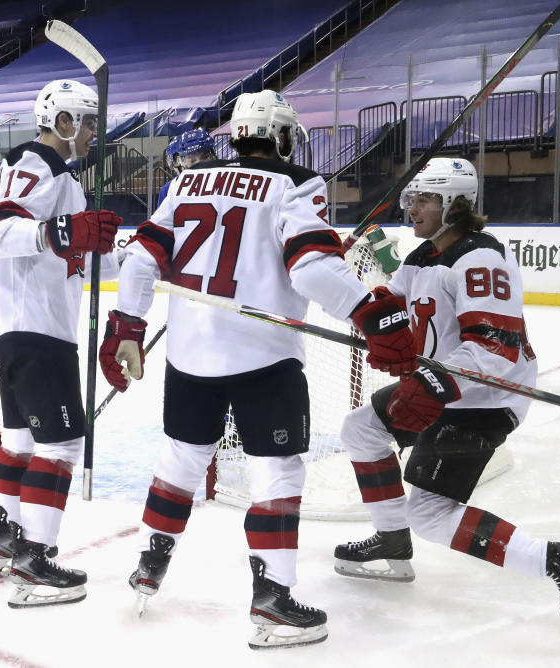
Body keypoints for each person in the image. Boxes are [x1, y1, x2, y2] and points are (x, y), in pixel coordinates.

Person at [99, 89, 417, 649]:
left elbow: (142, 259)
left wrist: (126, 327)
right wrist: (371, 315)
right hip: (264, 356)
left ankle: (151, 560)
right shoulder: (296, 183)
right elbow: (314, 270)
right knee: (277, 474)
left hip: (189, 357)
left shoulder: (186, 181)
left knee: (181, 457)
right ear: (283, 135)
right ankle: (273, 601)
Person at [331, 157, 560, 632]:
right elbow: (392, 312)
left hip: (487, 398)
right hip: (443, 388)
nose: (412, 207)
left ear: (455, 204)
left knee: (429, 511)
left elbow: (493, 350)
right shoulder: (421, 257)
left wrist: (432, 385)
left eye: (423, 199)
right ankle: (392, 541)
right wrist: (347, 288)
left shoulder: (481, 259)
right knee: (360, 429)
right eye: (411, 198)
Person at [0, 78, 122, 607]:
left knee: (20, 443)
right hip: (35, 326)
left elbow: (73, 245)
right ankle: (35, 561)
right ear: (64, 122)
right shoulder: (38, 165)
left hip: (20, 325)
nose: (93, 133)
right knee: (60, 445)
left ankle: (7, 540)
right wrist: (62, 232)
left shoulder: (56, 174)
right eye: (88, 122)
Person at [157, 128, 216, 207]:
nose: (200, 164)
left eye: (205, 157)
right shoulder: (169, 189)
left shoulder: (223, 181)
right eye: (192, 160)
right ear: (177, 163)